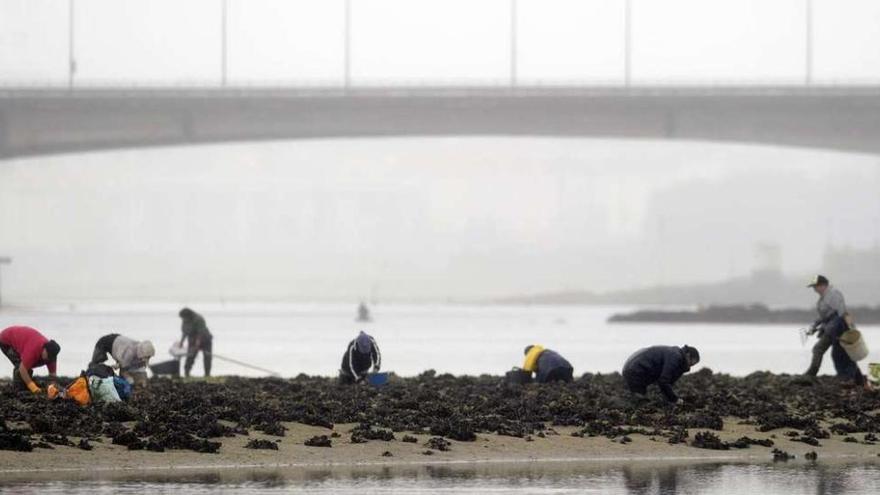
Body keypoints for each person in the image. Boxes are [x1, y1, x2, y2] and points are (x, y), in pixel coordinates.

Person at [622, 345, 700, 404]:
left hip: (633, 368)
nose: (690, 367)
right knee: (640, 401)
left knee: (641, 397)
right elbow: (664, 381)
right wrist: (674, 399)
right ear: (688, 355)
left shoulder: (675, 353)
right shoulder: (675, 356)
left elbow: (667, 380)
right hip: (635, 370)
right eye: (691, 363)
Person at [803, 275, 846, 377]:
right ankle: (853, 377)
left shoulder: (833, 294)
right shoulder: (824, 298)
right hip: (831, 328)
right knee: (842, 354)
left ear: (823, 285)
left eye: (815, 286)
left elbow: (839, 313)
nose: (814, 289)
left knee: (819, 349)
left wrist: (827, 328)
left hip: (837, 328)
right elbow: (824, 315)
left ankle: (811, 373)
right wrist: (814, 326)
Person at [0, 325, 60, 395]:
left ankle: (23, 385)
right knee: (20, 366)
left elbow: (52, 375)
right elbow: (22, 369)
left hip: (25, 341)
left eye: (51, 357)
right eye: (48, 355)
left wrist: (52, 387)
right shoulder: (33, 349)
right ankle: (17, 389)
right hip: (6, 340)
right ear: (44, 349)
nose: (48, 358)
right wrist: (32, 387)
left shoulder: (52, 356)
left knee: (27, 367)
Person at [90, 333, 155, 385]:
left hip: (119, 342)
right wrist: (118, 365)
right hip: (105, 342)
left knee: (133, 370)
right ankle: (88, 376)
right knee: (96, 362)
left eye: (149, 357)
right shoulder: (130, 352)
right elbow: (123, 367)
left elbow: (141, 366)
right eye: (147, 357)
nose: (147, 359)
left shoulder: (142, 350)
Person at [179, 307, 213, 377]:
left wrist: (198, 343)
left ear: (188, 315)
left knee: (207, 357)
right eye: (182, 318)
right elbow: (185, 332)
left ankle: (207, 374)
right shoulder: (185, 320)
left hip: (205, 340)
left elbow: (200, 332)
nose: (183, 319)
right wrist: (181, 342)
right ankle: (187, 373)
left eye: (184, 317)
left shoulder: (199, 319)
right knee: (190, 356)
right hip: (192, 340)